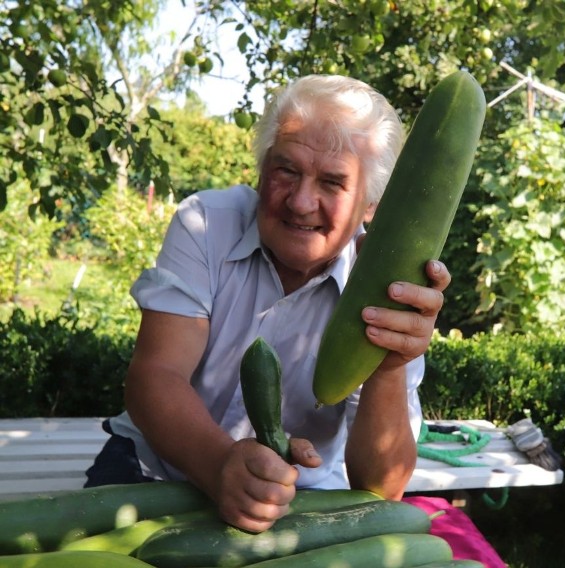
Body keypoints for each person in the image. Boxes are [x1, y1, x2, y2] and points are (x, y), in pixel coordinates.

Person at [85, 74, 450, 534]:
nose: (300, 202)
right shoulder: (206, 224)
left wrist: (390, 366)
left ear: (372, 205)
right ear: (261, 169)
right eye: (286, 170)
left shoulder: (391, 288)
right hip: (157, 467)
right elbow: (155, 376)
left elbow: (381, 487)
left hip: (296, 499)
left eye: (333, 182)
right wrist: (221, 467)